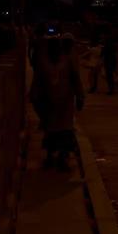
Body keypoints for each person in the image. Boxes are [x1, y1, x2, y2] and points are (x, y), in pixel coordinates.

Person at [30, 35, 85, 172]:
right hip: (49, 103)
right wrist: (35, 97)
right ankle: (50, 156)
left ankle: (63, 157)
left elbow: (75, 78)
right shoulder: (43, 62)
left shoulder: (67, 60)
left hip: (65, 103)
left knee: (65, 132)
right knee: (50, 131)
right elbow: (37, 81)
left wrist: (80, 96)